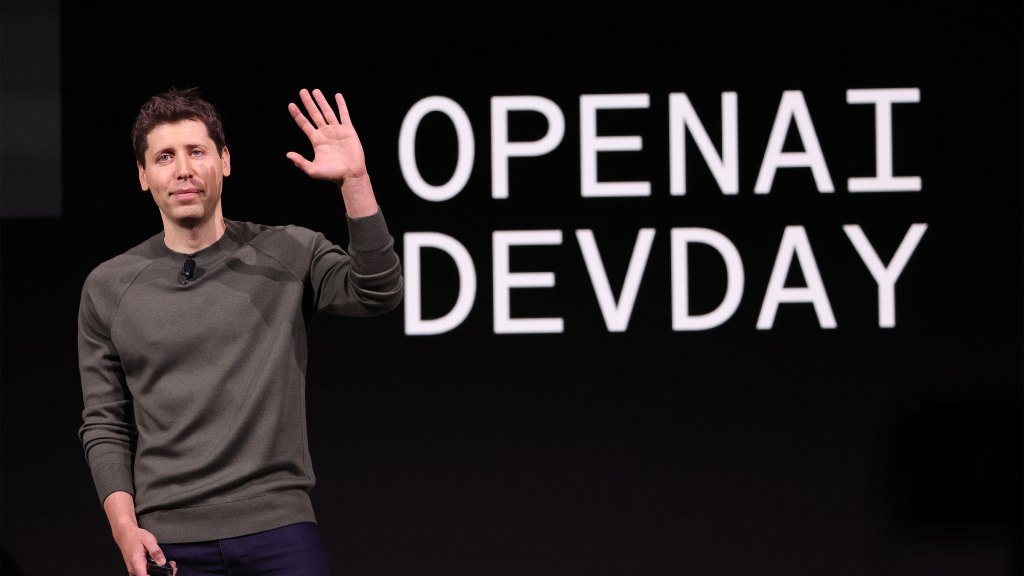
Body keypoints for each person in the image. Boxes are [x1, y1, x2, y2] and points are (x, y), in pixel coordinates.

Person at [76, 86, 404, 576]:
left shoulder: (289, 252)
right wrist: (126, 528)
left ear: (225, 161)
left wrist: (355, 179)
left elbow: (379, 291)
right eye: (164, 156)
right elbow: (104, 423)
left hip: (279, 530)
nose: (183, 169)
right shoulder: (109, 286)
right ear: (143, 176)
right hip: (170, 542)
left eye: (197, 152)